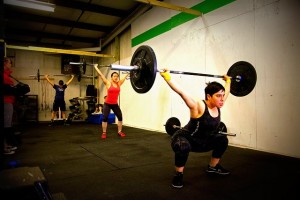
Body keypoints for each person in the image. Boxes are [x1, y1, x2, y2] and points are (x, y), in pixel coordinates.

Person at [160, 69, 231, 188]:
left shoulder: (218, 104)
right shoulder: (198, 106)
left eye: (222, 95)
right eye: (218, 96)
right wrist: (167, 77)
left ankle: (212, 167)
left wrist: (228, 81)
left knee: (222, 139)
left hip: (203, 142)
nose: (222, 99)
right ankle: (178, 174)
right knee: (183, 146)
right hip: (186, 138)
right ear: (209, 96)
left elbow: (227, 91)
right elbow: (181, 92)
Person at [94, 65, 129, 139]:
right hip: (107, 104)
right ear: (111, 77)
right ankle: (104, 133)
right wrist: (96, 67)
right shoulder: (108, 83)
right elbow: (101, 75)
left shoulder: (119, 83)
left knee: (120, 117)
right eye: (114, 76)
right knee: (105, 118)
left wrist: (131, 70)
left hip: (115, 104)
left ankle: (119, 131)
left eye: (117, 76)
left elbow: (126, 76)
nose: (116, 77)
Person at [3, 57, 18, 155]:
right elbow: (7, 88)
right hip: (6, 101)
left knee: (7, 125)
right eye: (9, 63)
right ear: (4, 63)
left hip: (9, 101)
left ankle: (6, 145)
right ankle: (4, 148)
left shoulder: (6, 75)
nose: (11, 64)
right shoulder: (3, 76)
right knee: (5, 126)